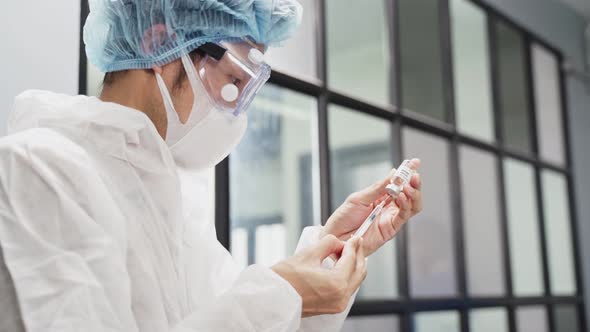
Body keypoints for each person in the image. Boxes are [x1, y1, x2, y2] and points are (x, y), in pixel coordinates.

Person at [0, 0, 423, 331]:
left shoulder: (175, 199)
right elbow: (253, 314)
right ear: (156, 41)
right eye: (235, 80)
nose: (238, 111)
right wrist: (284, 293)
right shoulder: (40, 170)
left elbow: (241, 320)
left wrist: (334, 249)